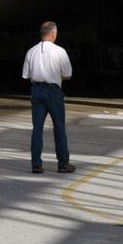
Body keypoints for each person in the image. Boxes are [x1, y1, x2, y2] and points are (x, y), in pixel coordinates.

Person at [22, 20, 76, 174]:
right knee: (59, 128)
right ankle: (63, 164)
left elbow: (26, 75)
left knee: (37, 129)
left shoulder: (31, 51)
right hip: (53, 92)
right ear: (53, 34)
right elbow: (67, 74)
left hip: (36, 91)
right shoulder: (60, 51)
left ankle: (36, 164)